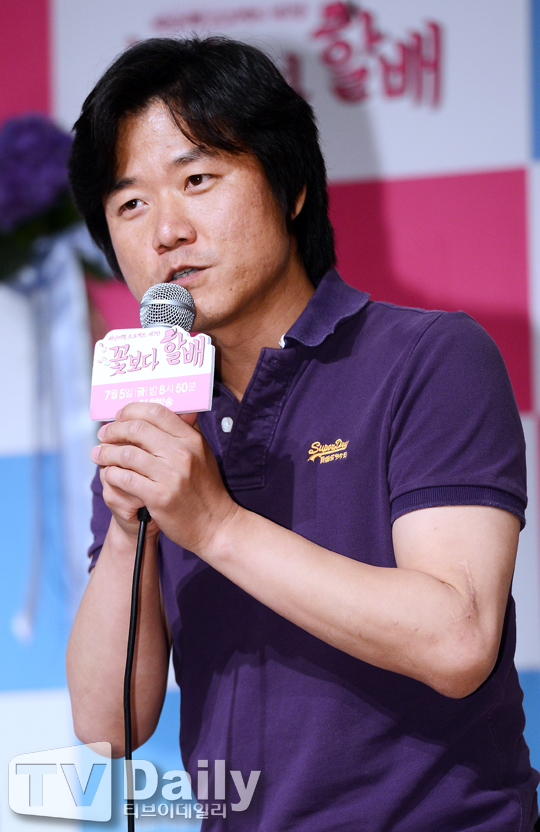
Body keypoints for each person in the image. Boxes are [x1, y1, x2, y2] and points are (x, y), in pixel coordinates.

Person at [67, 36, 539, 831]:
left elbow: (457, 640)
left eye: (197, 179)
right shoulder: (153, 416)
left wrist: (214, 525)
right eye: (130, 204)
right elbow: (106, 726)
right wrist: (125, 530)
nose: (166, 231)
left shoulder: (430, 356)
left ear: (290, 188)